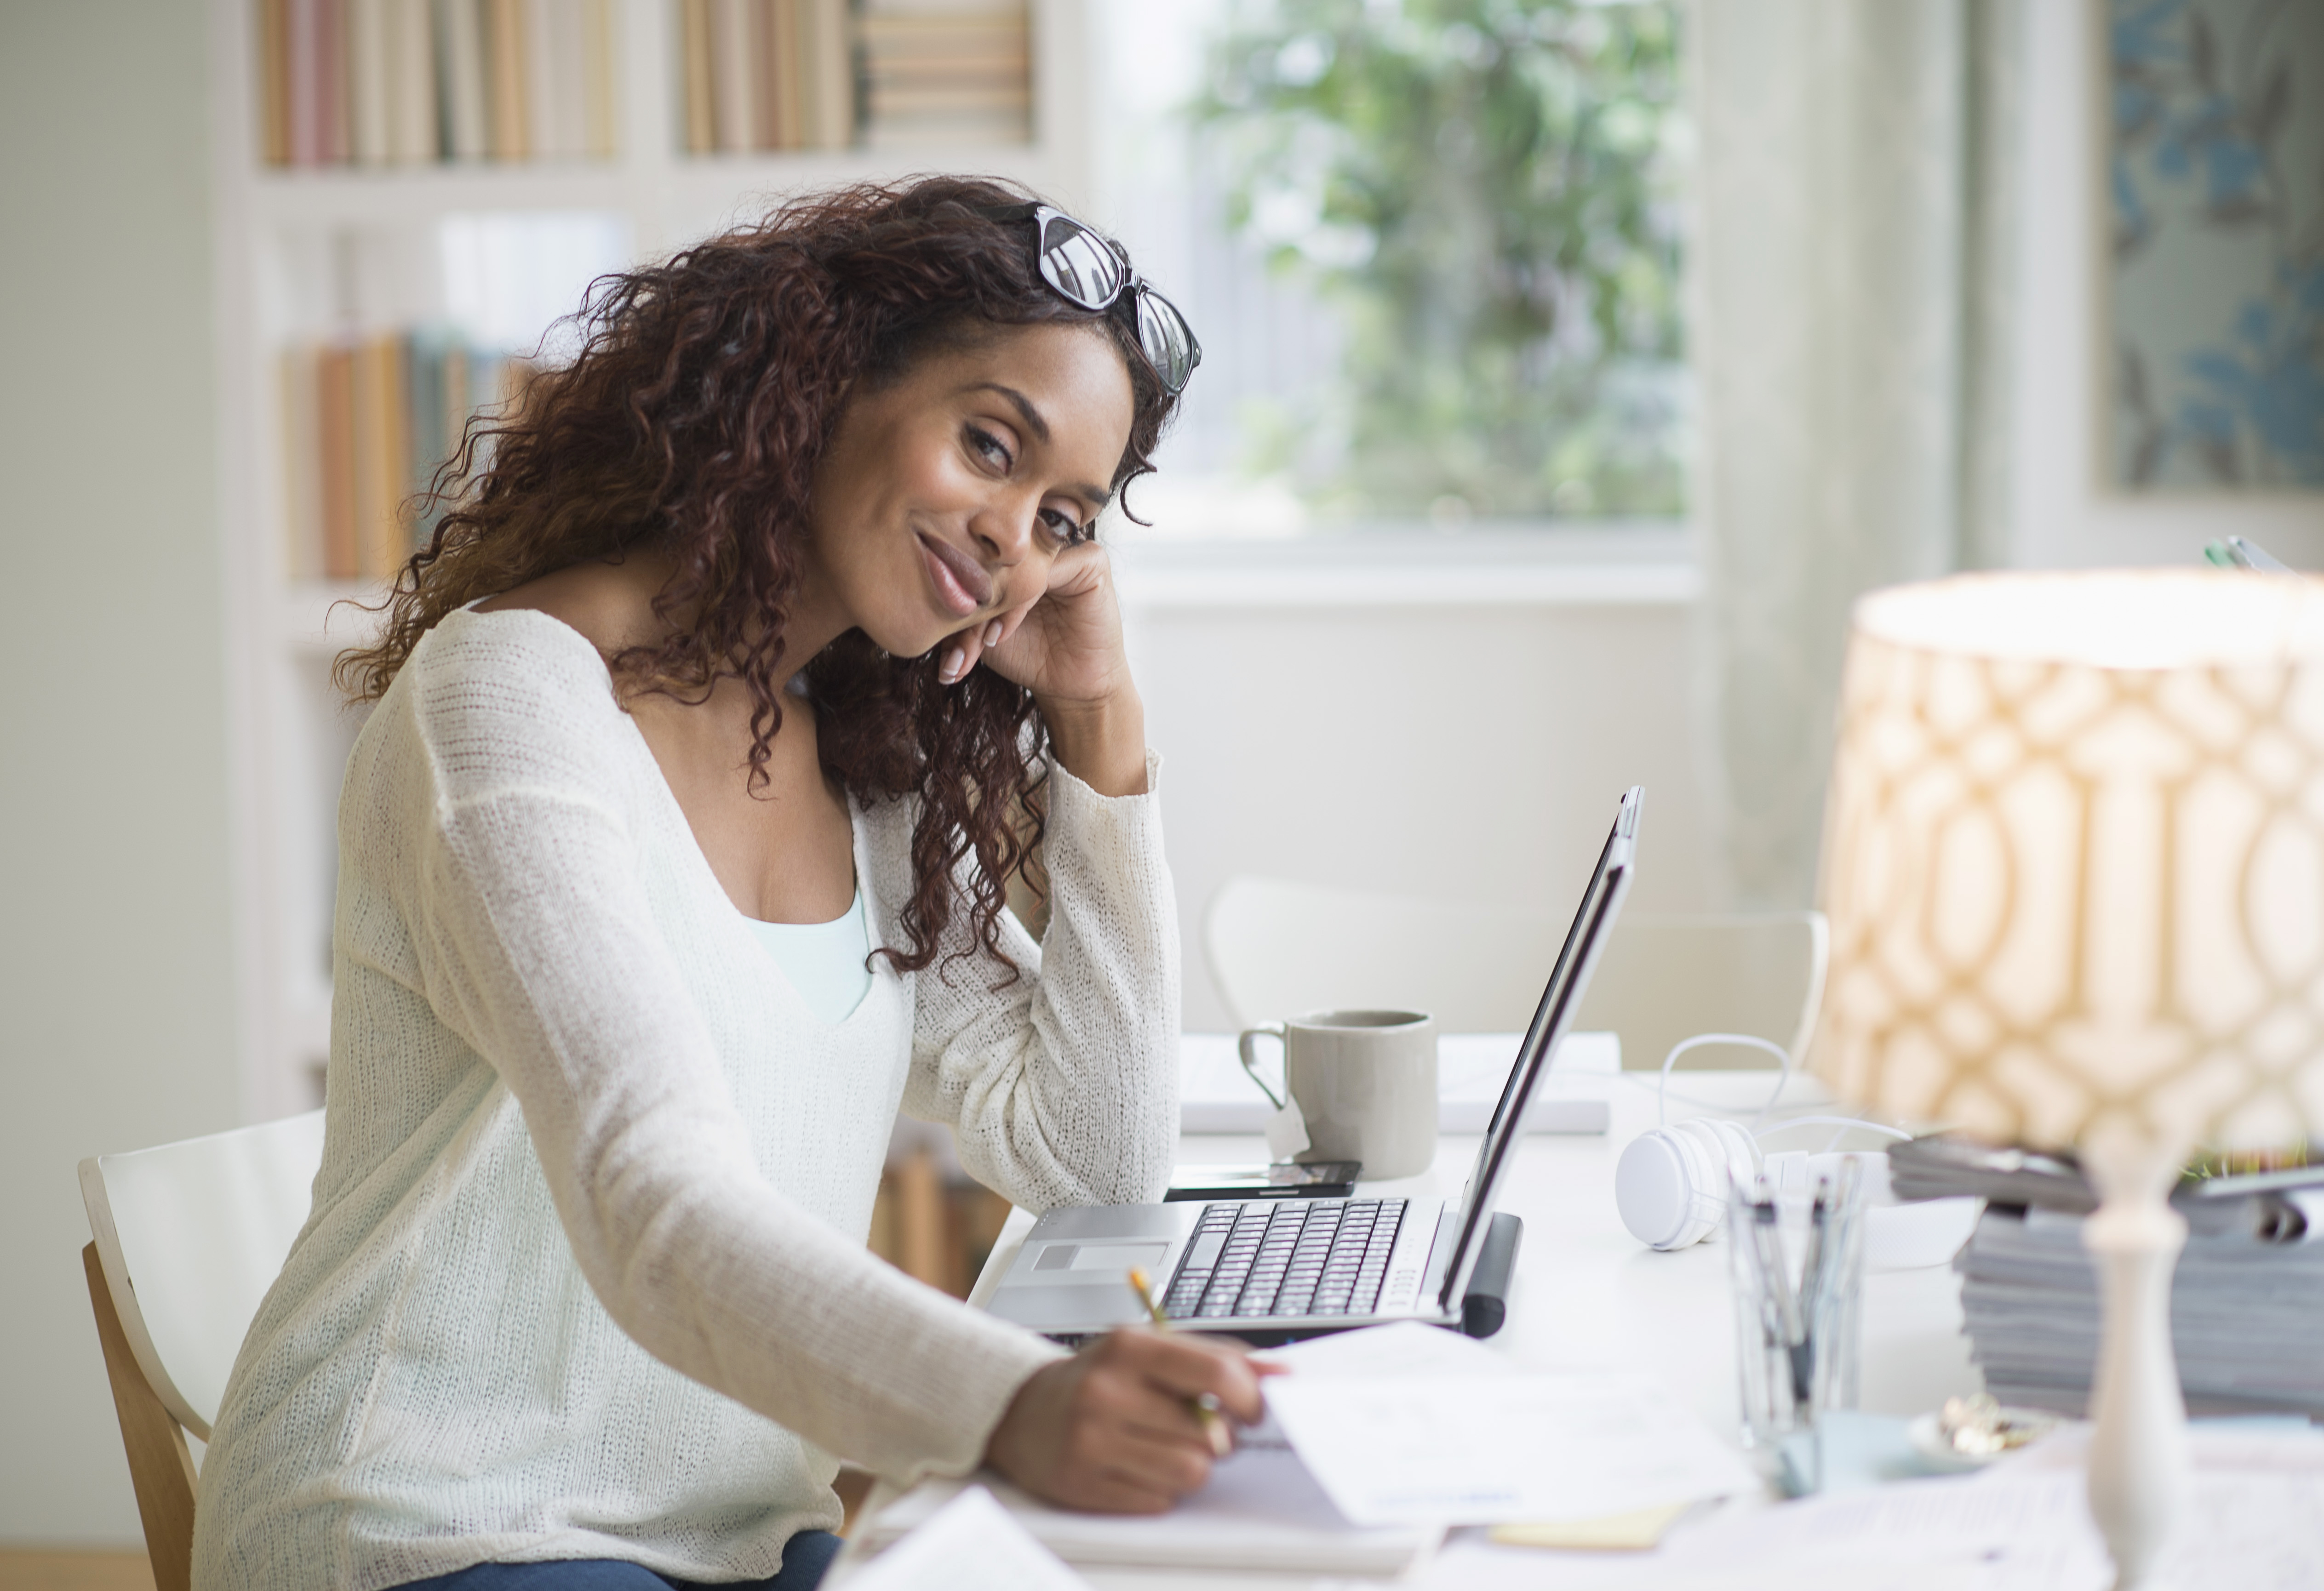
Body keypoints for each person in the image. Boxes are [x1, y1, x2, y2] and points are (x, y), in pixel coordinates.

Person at [189, 176, 1265, 1591]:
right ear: (825, 382)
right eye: (990, 446)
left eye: (1067, 517)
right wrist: (1011, 1407)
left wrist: (1100, 719)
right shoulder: (509, 703)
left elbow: (1096, 1163)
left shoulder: (859, 778)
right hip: (430, 1528)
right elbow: (654, 1195)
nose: (1016, 535)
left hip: (740, 1542)